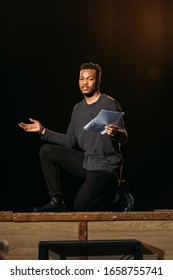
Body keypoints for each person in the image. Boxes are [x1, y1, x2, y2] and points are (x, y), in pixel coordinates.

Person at [19, 62, 134, 212]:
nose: (85, 83)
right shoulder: (77, 109)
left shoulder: (109, 104)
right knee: (46, 151)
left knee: (81, 205)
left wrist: (115, 133)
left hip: (106, 166)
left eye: (90, 79)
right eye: (81, 78)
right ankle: (56, 201)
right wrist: (43, 131)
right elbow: (70, 141)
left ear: (98, 81)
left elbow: (124, 137)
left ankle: (119, 193)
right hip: (88, 161)